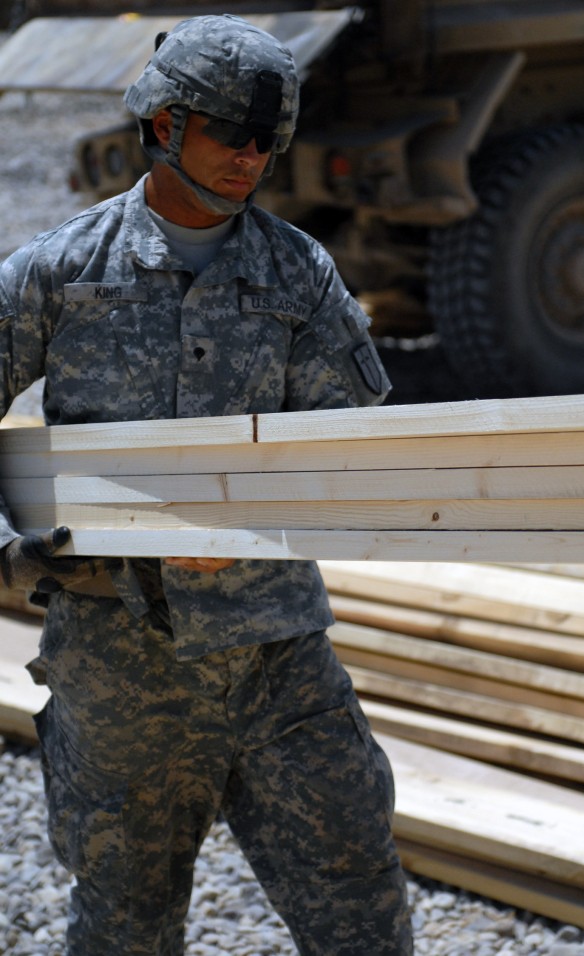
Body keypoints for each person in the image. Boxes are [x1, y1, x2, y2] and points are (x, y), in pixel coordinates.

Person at [0, 15, 413, 956]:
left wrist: (256, 520)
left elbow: (353, 450)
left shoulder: (299, 275)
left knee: (363, 910)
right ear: (167, 123)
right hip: (121, 670)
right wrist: (22, 549)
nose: (252, 158)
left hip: (279, 664)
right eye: (233, 133)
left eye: (270, 139)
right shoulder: (60, 275)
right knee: (125, 929)